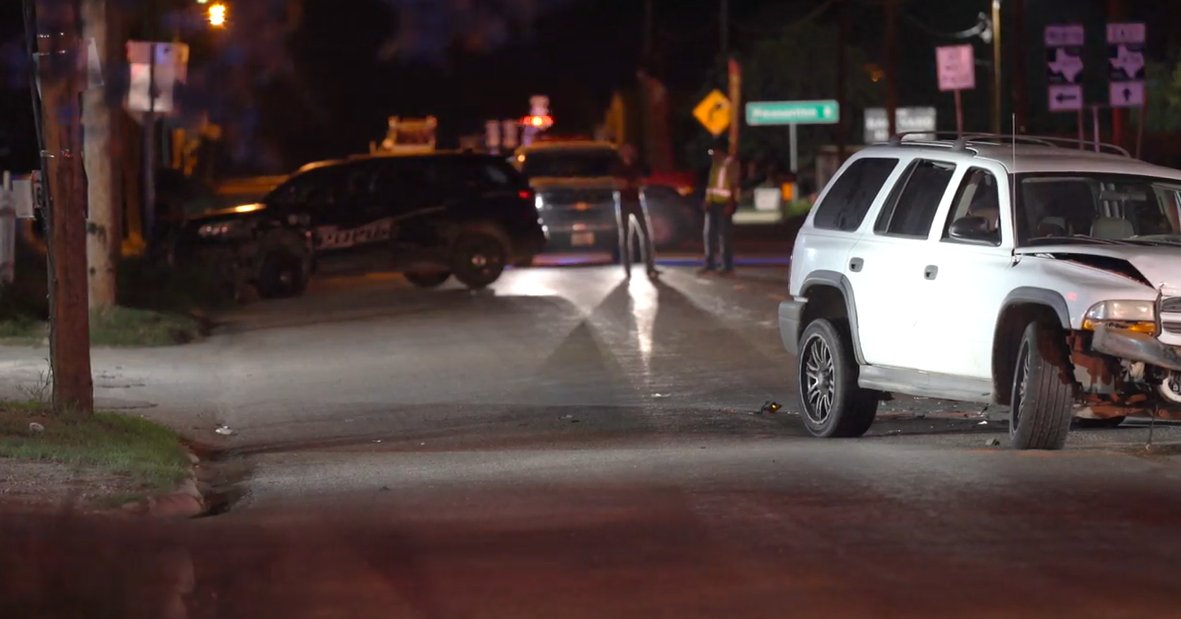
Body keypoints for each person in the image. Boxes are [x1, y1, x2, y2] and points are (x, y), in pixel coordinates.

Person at [612, 144, 659, 279]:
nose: (628, 152)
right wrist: (631, 183)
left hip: (637, 202)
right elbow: (619, 184)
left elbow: (642, 182)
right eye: (625, 150)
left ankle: (650, 267)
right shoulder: (617, 167)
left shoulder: (636, 166)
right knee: (626, 236)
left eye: (629, 150)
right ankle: (627, 269)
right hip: (624, 203)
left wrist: (632, 183)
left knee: (646, 235)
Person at [701, 143, 738, 275]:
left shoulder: (730, 164)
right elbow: (711, 186)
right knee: (709, 235)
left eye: (714, 152)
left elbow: (734, 185)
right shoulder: (715, 165)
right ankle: (710, 264)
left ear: (720, 152)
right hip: (712, 205)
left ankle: (728, 266)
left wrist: (731, 203)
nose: (712, 156)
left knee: (724, 236)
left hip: (724, 204)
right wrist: (707, 201)